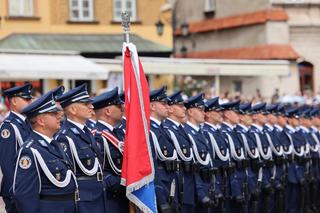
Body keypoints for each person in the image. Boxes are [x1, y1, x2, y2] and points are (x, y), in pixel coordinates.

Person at [13, 91, 78, 213]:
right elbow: (24, 197)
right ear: (41, 121)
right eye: (53, 113)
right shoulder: (30, 151)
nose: (59, 116)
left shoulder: (55, 144)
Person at [54, 83, 106, 213]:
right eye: (85, 104)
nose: (91, 106)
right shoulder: (65, 137)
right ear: (73, 110)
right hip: (84, 200)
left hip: (98, 195)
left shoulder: (86, 131)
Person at [91, 87, 129, 213]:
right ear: (107, 111)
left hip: (124, 196)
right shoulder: (97, 136)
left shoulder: (119, 133)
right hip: (111, 198)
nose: (122, 108)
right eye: (118, 106)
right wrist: (123, 184)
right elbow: (100, 170)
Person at [0, 83, 33, 213]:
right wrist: (19, 190)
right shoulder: (9, 127)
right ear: (14, 101)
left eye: (30, 99)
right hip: (16, 190)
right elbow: (7, 163)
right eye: (26, 99)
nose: (30, 102)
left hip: (26, 188)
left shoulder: (26, 122)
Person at [162, 91, 196, 213]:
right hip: (176, 185)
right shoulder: (168, 130)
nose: (184, 109)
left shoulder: (180, 129)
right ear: (170, 109)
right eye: (180, 106)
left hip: (186, 185)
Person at [149, 86, 178, 212]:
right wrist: (160, 198)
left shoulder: (163, 129)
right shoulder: (148, 130)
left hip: (171, 185)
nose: (168, 107)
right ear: (152, 106)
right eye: (164, 103)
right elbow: (152, 168)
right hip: (161, 188)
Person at [184, 93, 213, 212]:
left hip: (208, 185)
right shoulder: (187, 133)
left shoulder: (201, 133)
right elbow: (193, 168)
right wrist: (201, 193)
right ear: (190, 112)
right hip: (196, 191)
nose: (204, 113)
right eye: (200, 110)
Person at [202, 97, 229, 212]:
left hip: (222, 180)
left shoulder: (217, 132)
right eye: (216, 111)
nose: (220, 114)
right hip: (214, 181)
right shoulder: (207, 133)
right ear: (208, 114)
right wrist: (216, 187)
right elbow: (212, 163)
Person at [219, 100, 246, 213]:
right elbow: (229, 164)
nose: (239, 116)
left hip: (240, 181)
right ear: (227, 115)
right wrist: (236, 190)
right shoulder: (225, 133)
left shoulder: (234, 132)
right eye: (236, 113)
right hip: (231, 185)